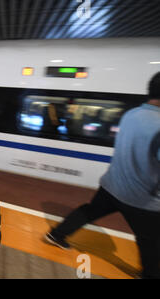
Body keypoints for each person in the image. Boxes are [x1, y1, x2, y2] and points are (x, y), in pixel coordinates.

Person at [44, 72, 160, 279]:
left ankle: (56, 234)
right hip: (142, 199)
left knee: (89, 211)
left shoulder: (131, 114)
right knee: (150, 240)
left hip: (112, 186)